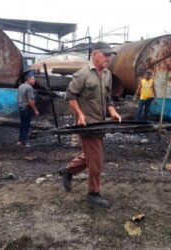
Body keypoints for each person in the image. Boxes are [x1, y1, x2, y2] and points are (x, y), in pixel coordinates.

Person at [59, 42, 122, 208]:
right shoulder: (82, 74)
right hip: (86, 124)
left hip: (100, 123)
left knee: (90, 156)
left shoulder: (108, 74)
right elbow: (70, 97)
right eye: (105, 55)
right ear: (95, 54)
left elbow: (108, 98)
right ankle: (93, 192)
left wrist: (113, 112)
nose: (108, 58)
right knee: (97, 160)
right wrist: (79, 115)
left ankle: (68, 171)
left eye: (110, 55)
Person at [17, 71, 39, 147]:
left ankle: (20, 141)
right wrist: (35, 110)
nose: (34, 81)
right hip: (27, 108)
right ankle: (24, 142)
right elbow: (31, 101)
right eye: (33, 79)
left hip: (21, 107)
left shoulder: (21, 86)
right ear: (29, 80)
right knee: (26, 125)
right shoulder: (29, 88)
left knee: (22, 125)